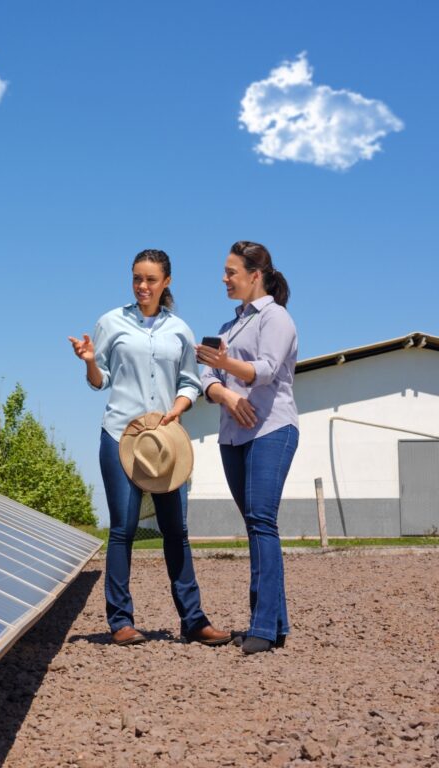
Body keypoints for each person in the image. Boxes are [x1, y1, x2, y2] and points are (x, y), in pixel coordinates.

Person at [69, 249, 231, 647]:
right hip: (120, 436)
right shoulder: (111, 322)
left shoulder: (179, 329)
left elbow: (190, 383)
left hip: (164, 440)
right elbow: (99, 380)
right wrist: (90, 361)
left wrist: (174, 412)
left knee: (176, 530)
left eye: (151, 280)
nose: (143, 286)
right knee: (123, 529)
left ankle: (194, 621)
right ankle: (121, 621)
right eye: (136, 279)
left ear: (167, 282)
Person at [196, 240, 298, 655]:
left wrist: (223, 367)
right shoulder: (230, 325)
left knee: (261, 522)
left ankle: (262, 625)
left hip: (271, 429)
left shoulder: (277, 319)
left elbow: (266, 371)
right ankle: (275, 624)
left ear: (255, 275)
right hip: (233, 435)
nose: (224, 278)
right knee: (256, 526)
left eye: (231, 271)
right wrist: (224, 392)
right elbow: (204, 376)